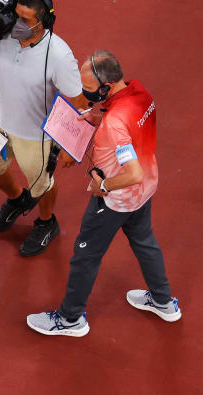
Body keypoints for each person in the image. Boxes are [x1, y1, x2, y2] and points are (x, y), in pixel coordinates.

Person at [26, 50, 182, 337]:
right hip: (145, 189)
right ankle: (163, 301)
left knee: (86, 257)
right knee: (145, 241)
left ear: (106, 86)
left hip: (116, 199)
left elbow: (130, 170)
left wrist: (103, 186)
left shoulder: (114, 124)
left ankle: (70, 319)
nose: (84, 95)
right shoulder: (139, 94)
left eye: (88, 90)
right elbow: (129, 130)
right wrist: (104, 114)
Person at [0, 0, 88, 256]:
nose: (18, 24)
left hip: (34, 136)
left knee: (43, 185)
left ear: (44, 22)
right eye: (16, 16)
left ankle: (46, 222)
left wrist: (72, 147)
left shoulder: (59, 56)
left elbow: (80, 105)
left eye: (26, 20)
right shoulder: (1, 33)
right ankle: (18, 199)